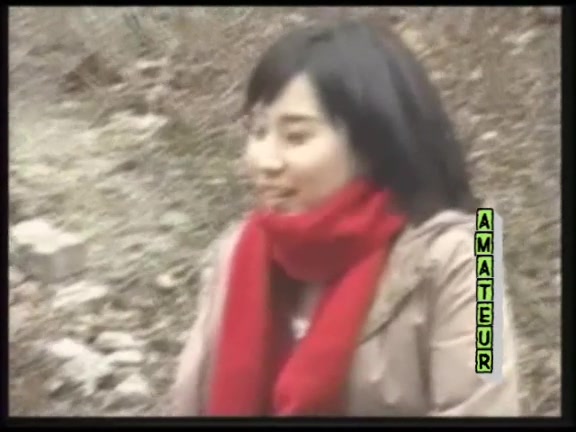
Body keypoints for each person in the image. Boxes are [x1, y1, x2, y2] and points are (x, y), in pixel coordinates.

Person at [170, 21, 521, 417]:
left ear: (371, 144)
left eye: (296, 136)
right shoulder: (235, 251)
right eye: (259, 131)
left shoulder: (477, 253)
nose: (264, 160)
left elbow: (488, 403)